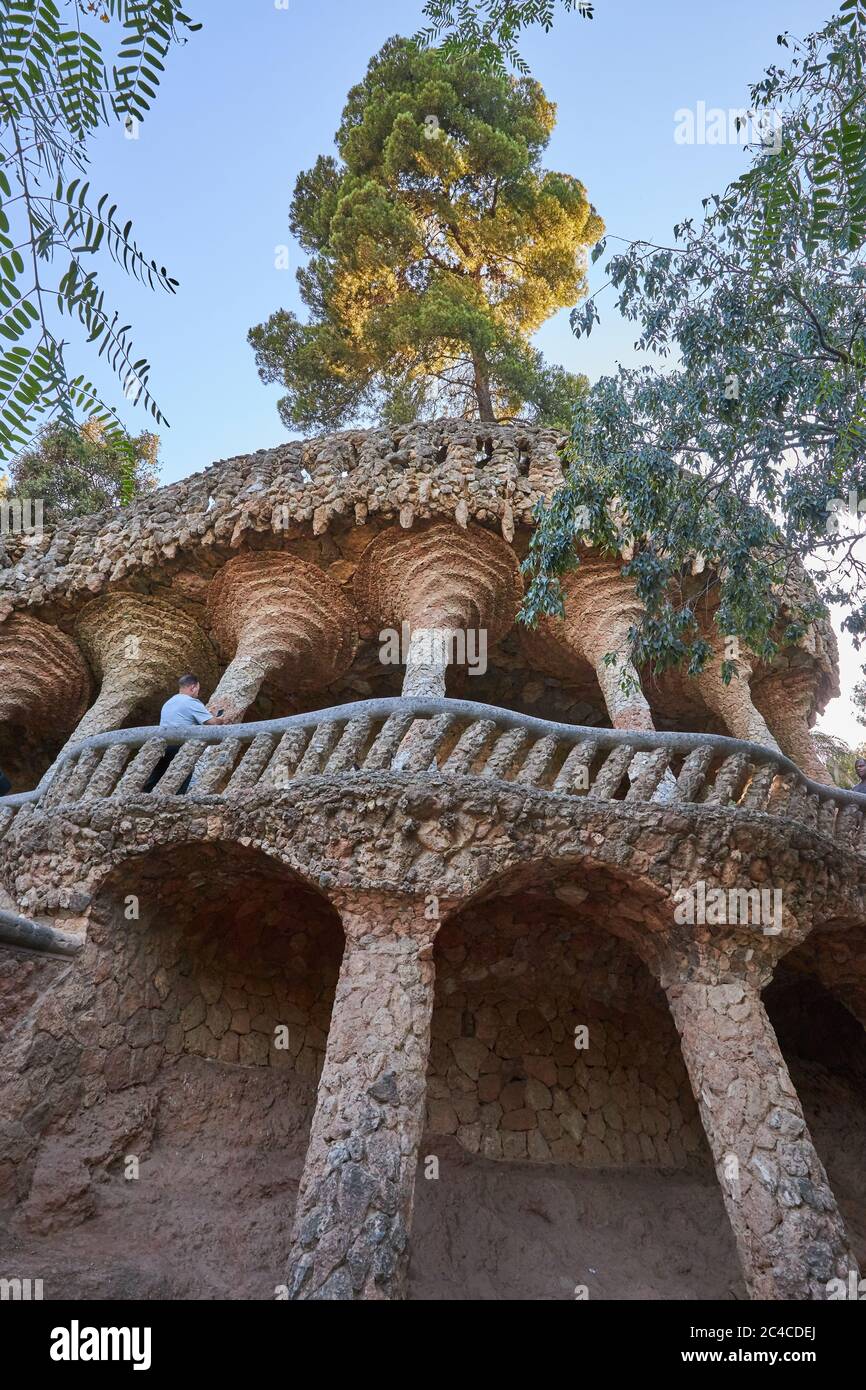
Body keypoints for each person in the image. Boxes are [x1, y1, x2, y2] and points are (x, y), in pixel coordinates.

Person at [143, 674, 235, 793]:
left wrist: (206, 714)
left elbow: (182, 720)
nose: (197, 692)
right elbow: (212, 723)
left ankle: (143, 800)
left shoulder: (169, 702)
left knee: (157, 775)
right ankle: (174, 804)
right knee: (183, 776)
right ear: (193, 687)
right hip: (179, 747)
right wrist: (221, 719)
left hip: (163, 745)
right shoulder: (191, 702)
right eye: (198, 689)